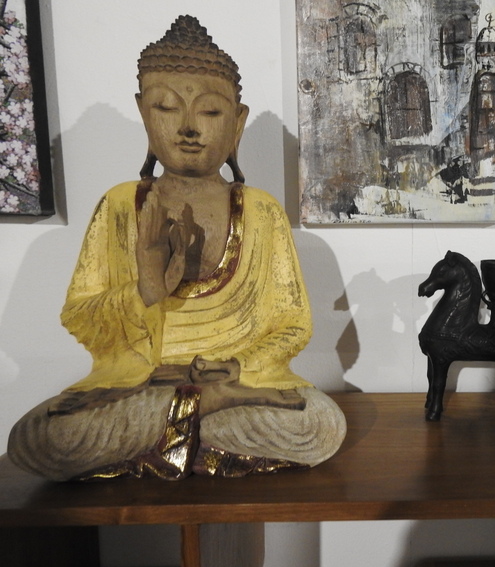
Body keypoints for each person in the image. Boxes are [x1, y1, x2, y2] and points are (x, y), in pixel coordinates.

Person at [8, 15, 346, 481]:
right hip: (141, 386)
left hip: (238, 385)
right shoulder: (120, 205)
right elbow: (81, 318)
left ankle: (185, 423)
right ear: (144, 114)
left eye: (210, 113)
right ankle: (202, 417)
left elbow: (292, 325)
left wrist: (236, 366)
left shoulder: (262, 211)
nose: (188, 128)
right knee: (42, 438)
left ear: (238, 123)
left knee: (319, 426)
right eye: (166, 107)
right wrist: (143, 291)